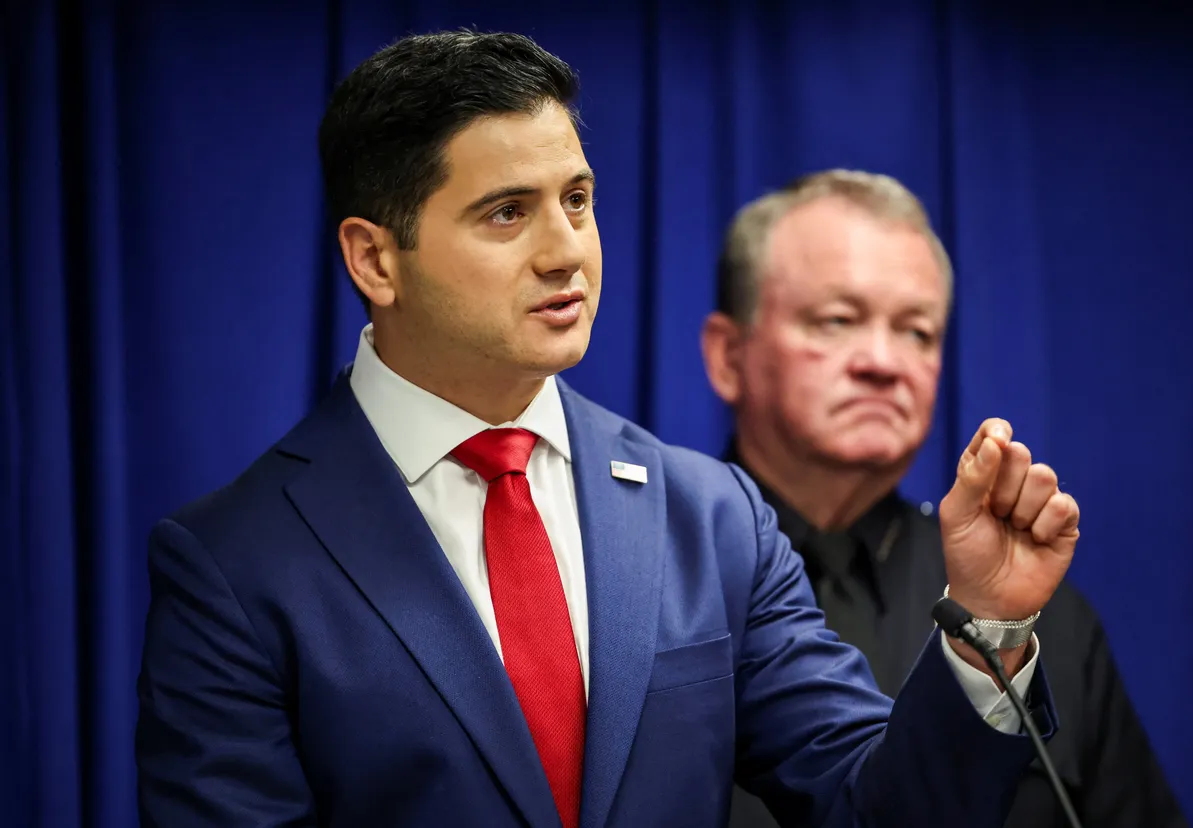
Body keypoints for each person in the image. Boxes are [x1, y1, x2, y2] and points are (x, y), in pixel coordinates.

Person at [135, 33, 1082, 828]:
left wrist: (986, 625)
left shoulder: (711, 517)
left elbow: (875, 808)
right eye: (508, 213)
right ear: (375, 259)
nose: (567, 251)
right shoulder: (233, 564)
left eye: (577, 201)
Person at [701, 170, 1184, 828]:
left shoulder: (1034, 620)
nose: (883, 362)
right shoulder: (652, 586)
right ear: (728, 357)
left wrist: (1000, 626)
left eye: (917, 332)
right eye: (838, 321)